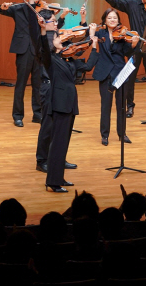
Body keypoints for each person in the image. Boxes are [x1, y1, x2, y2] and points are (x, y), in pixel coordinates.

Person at [37, 12, 99, 192]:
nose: (59, 38)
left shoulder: (69, 60)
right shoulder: (51, 60)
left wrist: (94, 45)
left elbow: (87, 67)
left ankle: (59, 178)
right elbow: (43, 47)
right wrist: (43, 30)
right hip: (59, 105)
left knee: (63, 143)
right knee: (57, 143)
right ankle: (53, 182)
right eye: (56, 38)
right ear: (54, 45)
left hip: (70, 105)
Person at [103, 0, 146, 119]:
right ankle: (130, 106)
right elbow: (118, 3)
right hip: (134, 45)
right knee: (130, 77)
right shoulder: (131, 4)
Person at [35, 6, 86, 173]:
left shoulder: (58, 36)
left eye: (57, 21)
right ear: (43, 22)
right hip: (48, 87)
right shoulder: (44, 39)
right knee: (48, 126)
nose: (57, 24)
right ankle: (42, 160)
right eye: (54, 21)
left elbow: (75, 46)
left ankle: (58, 157)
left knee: (62, 127)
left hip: (61, 88)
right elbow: (50, 50)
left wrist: (85, 25)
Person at [92, 8, 141, 146]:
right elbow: (87, 36)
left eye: (115, 18)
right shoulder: (100, 33)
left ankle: (122, 133)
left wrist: (133, 44)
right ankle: (105, 135)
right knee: (105, 106)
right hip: (105, 73)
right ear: (105, 20)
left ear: (118, 20)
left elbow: (127, 52)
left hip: (120, 72)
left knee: (121, 106)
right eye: (109, 18)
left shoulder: (123, 34)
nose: (112, 20)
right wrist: (84, 20)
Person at [0, 0, 42, 127]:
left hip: (38, 50)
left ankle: (38, 114)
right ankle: (17, 115)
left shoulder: (41, 8)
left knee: (38, 84)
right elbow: (1, 10)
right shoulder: (17, 8)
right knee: (21, 84)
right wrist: (1, 7)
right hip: (23, 49)